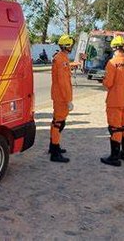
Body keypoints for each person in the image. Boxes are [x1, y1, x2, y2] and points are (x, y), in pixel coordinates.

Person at [100, 35, 124, 166]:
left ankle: (114, 157)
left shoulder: (112, 63)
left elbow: (108, 83)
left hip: (114, 100)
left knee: (115, 128)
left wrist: (103, 80)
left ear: (114, 47)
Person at [49, 34, 75, 163]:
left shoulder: (61, 57)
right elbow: (63, 82)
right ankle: (54, 151)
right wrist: (68, 100)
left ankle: (53, 146)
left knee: (56, 122)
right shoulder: (61, 60)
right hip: (61, 97)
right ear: (67, 46)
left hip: (58, 95)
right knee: (59, 123)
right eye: (71, 45)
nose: (72, 47)